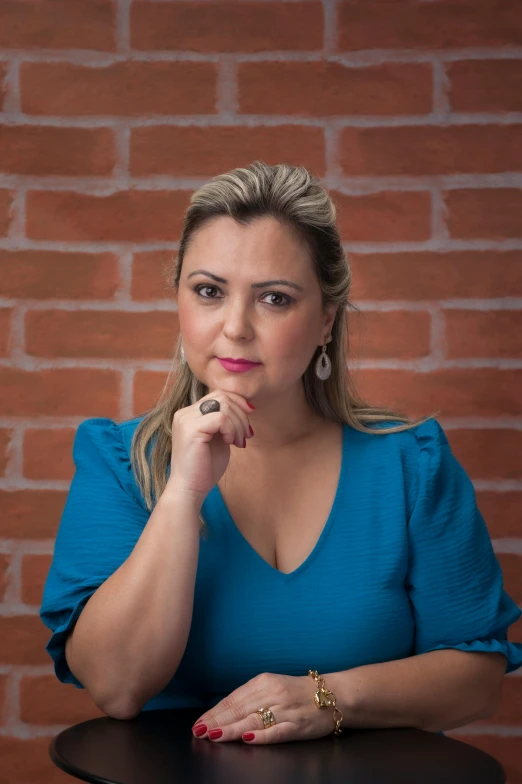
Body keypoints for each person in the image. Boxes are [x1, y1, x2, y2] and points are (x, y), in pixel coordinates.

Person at [40, 162, 522, 744]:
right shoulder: (121, 459)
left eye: (273, 297)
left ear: (324, 320)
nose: (236, 327)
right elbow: (116, 689)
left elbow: (477, 681)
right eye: (209, 291)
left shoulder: (410, 462)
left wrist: (327, 697)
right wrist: (183, 492)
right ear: (179, 301)